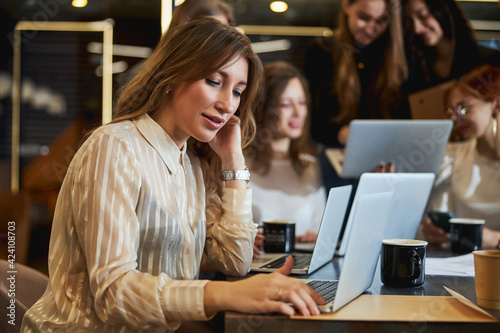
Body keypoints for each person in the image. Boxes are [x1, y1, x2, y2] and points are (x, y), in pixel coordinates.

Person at [21, 18, 324, 333]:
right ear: (171, 76)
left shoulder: (192, 165)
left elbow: (236, 260)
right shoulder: (115, 147)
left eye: (237, 91)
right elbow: (113, 293)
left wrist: (233, 161)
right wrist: (225, 294)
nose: (227, 105)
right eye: (213, 81)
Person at [304, 0, 409, 149]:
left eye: (381, 21)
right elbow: (315, 123)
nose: (370, 28)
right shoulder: (321, 52)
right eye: (364, 17)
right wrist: (344, 135)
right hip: (337, 151)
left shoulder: (398, 56)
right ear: (346, 5)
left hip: (389, 150)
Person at [245, 61, 327, 252]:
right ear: (263, 107)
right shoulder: (238, 165)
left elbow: (320, 227)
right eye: (285, 104)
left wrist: (319, 239)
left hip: (301, 268)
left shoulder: (310, 166)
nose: (298, 113)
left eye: (302, 102)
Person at [422, 64, 500, 250]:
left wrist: (494, 240)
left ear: (495, 104)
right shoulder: (450, 156)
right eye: (452, 111)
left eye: (464, 108)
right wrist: (430, 231)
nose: (454, 119)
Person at [402, 0, 500, 94]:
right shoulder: (415, 70)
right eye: (410, 21)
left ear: (442, 11)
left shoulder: (489, 60)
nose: (416, 28)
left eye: (423, 15)